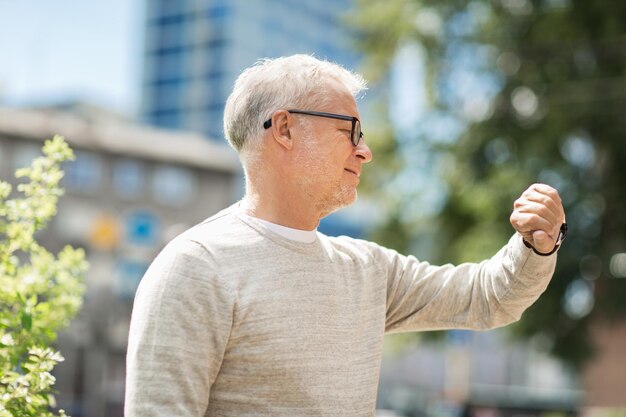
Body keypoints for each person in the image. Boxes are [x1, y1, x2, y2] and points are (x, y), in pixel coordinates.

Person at [125, 54, 566, 417]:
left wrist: (536, 243)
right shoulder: (196, 267)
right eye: (349, 129)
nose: (365, 150)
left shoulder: (368, 270)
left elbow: (488, 298)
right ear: (283, 129)